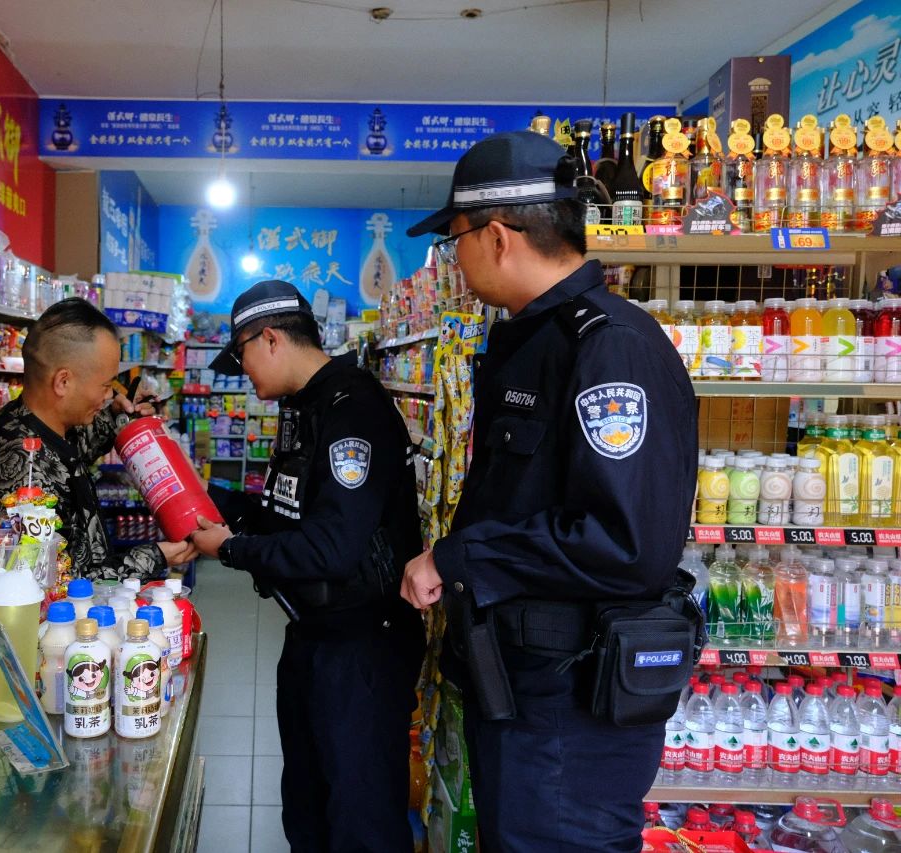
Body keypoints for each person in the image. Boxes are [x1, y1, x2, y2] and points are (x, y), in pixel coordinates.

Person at [400, 132, 698, 852]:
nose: (454, 259)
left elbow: (624, 543)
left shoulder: (610, 346)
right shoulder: (540, 339)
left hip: (571, 709)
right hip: (527, 690)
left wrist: (461, 557)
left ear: (497, 237)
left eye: (454, 240)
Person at [190, 281, 425, 853]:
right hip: (314, 636)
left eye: (241, 354)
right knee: (308, 802)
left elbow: (331, 548)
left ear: (270, 339)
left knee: (360, 818)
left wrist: (230, 550)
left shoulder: (353, 409)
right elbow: (286, 515)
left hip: (362, 651)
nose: (242, 371)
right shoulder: (305, 405)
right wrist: (207, 498)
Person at [0, 297, 197, 579]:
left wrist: (117, 415)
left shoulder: (41, 421)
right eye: (106, 385)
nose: (109, 395)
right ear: (63, 382)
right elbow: (51, 581)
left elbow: (75, 448)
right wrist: (152, 558)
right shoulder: (24, 467)